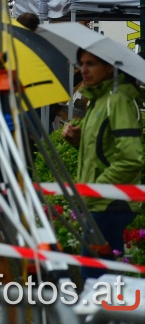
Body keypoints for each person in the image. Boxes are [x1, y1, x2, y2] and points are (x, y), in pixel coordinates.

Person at [62, 49, 143, 280]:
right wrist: (78, 141)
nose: (84, 70)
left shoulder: (118, 101)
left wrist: (96, 188)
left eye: (91, 64)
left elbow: (131, 159)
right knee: (97, 280)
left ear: (109, 68)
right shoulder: (99, 100)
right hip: (98, 203)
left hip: (110, 205)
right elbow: (103, 153)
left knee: (95, 280)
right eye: (82, 63)